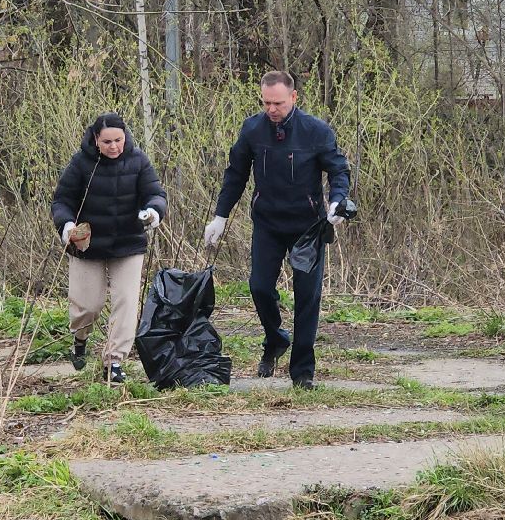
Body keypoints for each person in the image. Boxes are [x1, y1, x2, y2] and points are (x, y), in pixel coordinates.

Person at [202, 71, 353, 389]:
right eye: (266, 102)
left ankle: (302, 371)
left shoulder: (316, 131)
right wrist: (221, 216)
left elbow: (338, 169)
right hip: (268, 223)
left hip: (307, 226)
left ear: (294, 98)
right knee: (258, 287)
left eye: (278, 103)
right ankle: (275, 339)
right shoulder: (252, 129)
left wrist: (338, 201)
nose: (272, 109)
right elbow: (236, 174)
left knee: (307, 297)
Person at [50, 112, 166, 384]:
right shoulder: (80, 164)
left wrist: (153, 212)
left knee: (126, 302)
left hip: (128, 243)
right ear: (95, 140)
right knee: (88, 306)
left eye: (119, 140)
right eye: (107, 142)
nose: (114, 147)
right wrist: (67, 226)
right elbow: (62, 200)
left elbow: (156, 193)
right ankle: (80, 337)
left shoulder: (138, 161)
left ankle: (114, 362)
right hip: (87, 245)